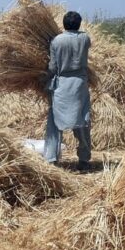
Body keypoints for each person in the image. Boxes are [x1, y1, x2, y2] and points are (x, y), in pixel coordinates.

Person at [44, 11, 92, 171]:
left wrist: (43, 78)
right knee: (82, 121)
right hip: (80, 85)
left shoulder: (57, 41)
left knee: (54, 122)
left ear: (64, 24)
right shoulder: (85, 38)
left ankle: (51, 158)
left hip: (62, 85)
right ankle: (84, 160)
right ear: (79, 24)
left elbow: (53, 67)